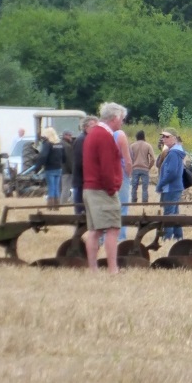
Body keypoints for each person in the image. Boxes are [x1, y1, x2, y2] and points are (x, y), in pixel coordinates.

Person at [82, 102, 126, 273]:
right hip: (102, 189)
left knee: (95, 230)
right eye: (121, 119)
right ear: (115, 118)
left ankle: (93, 269)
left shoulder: (93, 134)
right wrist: (112, 188)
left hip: (90, 187)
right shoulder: (104, 136)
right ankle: (113, 269)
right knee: (113, 228)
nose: (122, 122)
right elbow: (107, 167)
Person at [155, 128, 186, 240]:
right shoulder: (174, 151)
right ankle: (178, 236)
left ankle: (167, 238)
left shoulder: (173, 153)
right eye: (163, 136)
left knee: (169, 214)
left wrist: (160, 184)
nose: (163, 139)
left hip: (171, 187)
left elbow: (172, 173)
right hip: (175, 187)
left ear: (174, 138)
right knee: (174, 213)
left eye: (167, 136)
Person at [31, 128, 65, 209]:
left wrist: (37, 168)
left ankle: (50, 206)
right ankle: (57, 206)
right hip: (59, 168)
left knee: (51, 188)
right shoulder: (60, 144)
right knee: (56, 187)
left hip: (50, 168)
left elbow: (43, 156)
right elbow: (64, 156)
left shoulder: (48, 144)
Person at [72, 115, 97, 215]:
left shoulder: (90, 139)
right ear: (85, 127)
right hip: (81, 180)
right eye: (92, 126)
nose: (95, 128)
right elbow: (79, 162)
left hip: (87, 179)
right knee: (80, 209)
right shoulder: (81, 140)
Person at [113, 125, 133, 240]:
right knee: (123, 207)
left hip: (108, 172)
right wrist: (128, 173)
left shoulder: (106, 135)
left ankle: (105, 236)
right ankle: (120, 237)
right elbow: (128, 161)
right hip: (121, 173)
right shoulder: (120, 135)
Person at [129, 130, 155, 203]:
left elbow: (129, 157)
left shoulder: (132, 146)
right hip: (145, 169)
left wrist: (131, 166)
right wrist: (149, 167)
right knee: (145, 187)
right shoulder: (148, 145)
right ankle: (144, 202)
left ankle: (133, 201)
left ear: (136, 137)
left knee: (134, 187)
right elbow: (153, 158)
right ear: (144, 136)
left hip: (135, 168)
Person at [60, 131, 74, 204]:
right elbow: (69, 159)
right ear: (65, 136)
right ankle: (63, 203)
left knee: (64, 187)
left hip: (61, 169)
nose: (71, 137)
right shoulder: (67, 146)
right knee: (66, 187)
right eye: (70, 136)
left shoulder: (59, 144)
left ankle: (64, 201)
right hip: (67, 170)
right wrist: (73, 170)